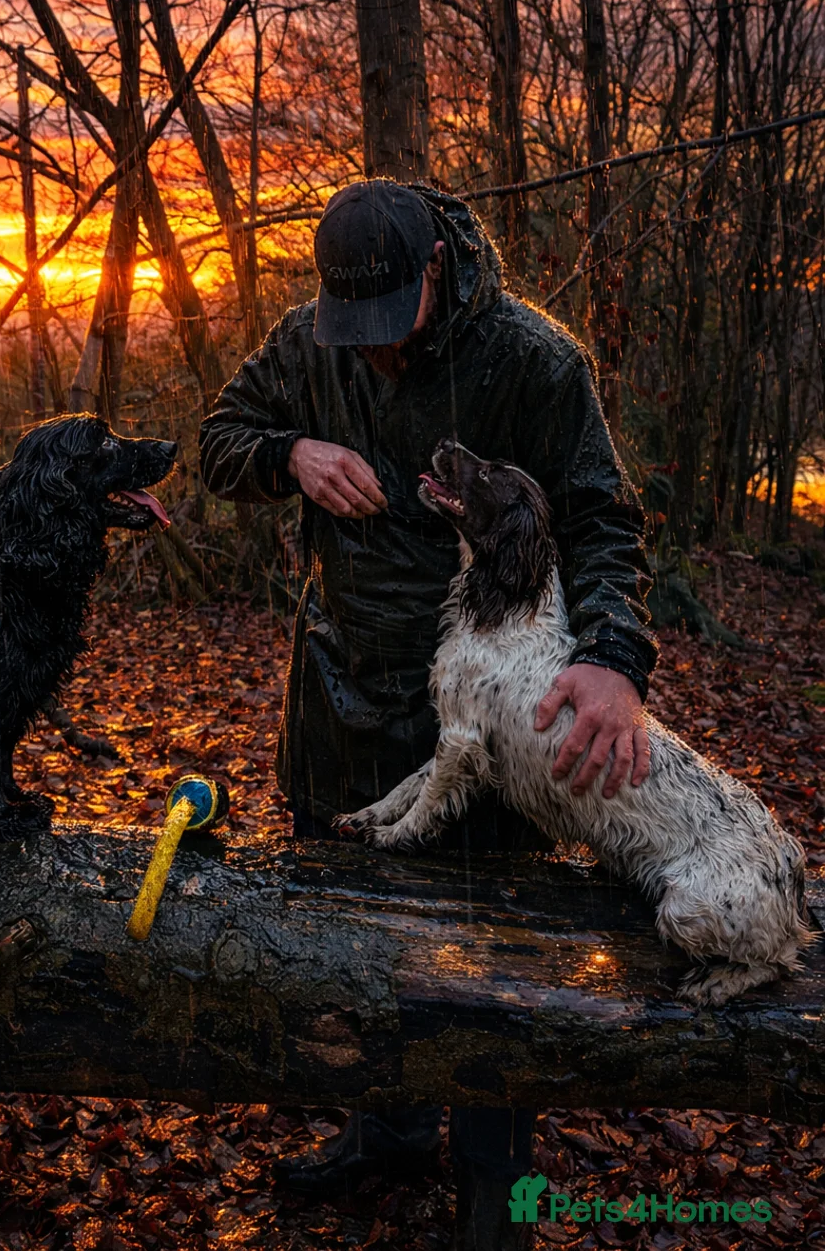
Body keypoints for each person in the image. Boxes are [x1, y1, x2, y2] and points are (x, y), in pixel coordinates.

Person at [199, 180, 657, 1251]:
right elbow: (221, 437)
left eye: (389, 329)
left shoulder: (536, 361)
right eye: (351, 333)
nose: (374, 355)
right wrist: (288, 456)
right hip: (342, 694)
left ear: (437, 273)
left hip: (492, 702)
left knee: (490, 948)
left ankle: (496, 1179)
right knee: (357, 943)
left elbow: (603, 519)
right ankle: (389, 1127)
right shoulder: (306, 343)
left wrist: (615, 660)